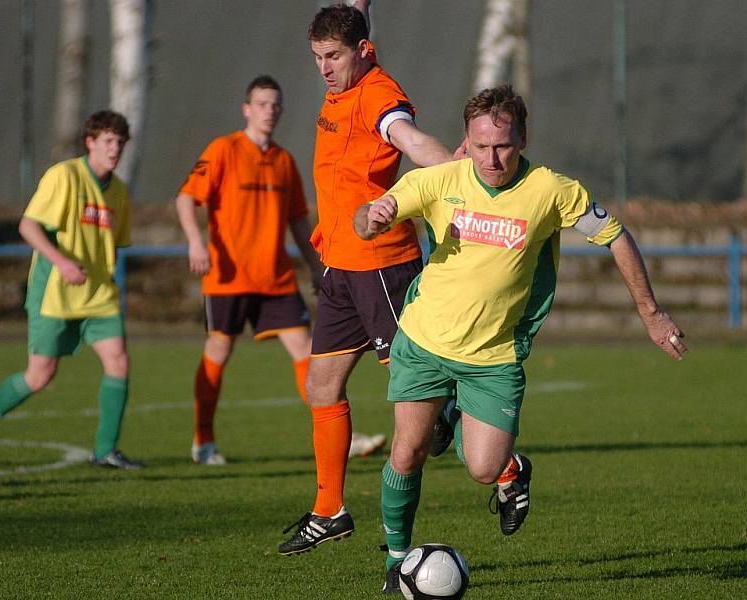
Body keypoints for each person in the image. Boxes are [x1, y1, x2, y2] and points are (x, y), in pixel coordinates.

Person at [353, 84, 689, 593]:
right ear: (466, 139)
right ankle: (395, 562)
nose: (492, 158)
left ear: (523, 138)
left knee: (484, 469)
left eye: (504, 145)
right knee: (407, 453)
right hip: (424, 341)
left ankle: (506, 466)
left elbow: (616, 235)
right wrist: (372, 219)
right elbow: (367, 218)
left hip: (494, 356)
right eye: (482, 145)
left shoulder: (551, 190)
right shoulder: (439, 180)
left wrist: (652, 312)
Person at [278, 1, 456, 556]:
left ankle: (502, 468)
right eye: (316, 57)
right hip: (339, 265)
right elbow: (353, 12)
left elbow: (406, 137)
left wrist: (455, 170)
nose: (324, 68)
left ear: (360, 51)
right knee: (321, 385)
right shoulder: (352, 55)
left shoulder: (377, 94)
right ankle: (329, 508)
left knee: (415, 390)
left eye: (333, 56)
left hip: (381, 265)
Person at [0, 110, 142, 469]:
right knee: (40, 375)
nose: (115, 149)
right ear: (90, 143)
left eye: (120, 142)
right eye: (108, 141)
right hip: (55, 293)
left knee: (118, 360)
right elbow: (28, 226)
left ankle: (105, 451)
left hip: (97, 295)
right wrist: (61, 261)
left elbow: (113, 244)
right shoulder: (65, 176)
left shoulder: (119, 191)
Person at [175, 75, 331, 465]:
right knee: (220, 349)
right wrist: (196, 242)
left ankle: (330, 434)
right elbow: (185, 199)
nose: (270, 111)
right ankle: (203, 440)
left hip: (275, 278)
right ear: (247, 109)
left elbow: (298, 222)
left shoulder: (284, 161)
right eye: (262, 104)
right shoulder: (223, 150)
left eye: (275, 104)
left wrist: (315, 267)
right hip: (228, 278)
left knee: (307, 350)